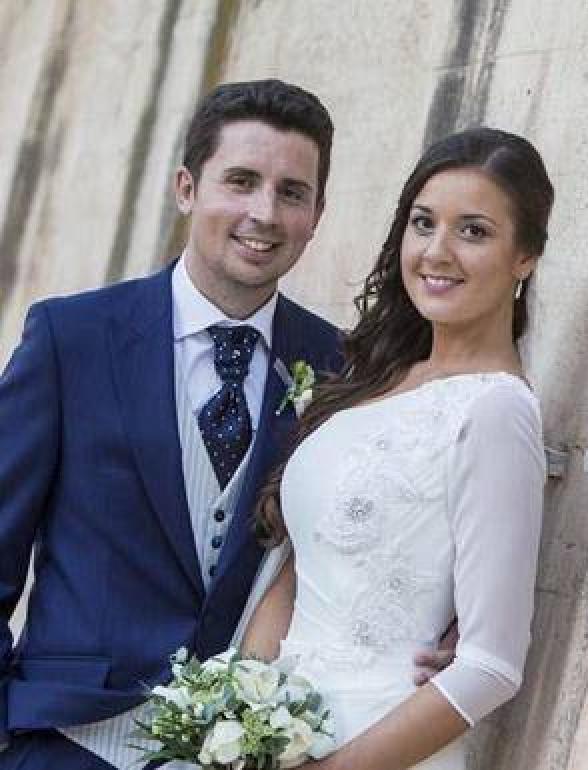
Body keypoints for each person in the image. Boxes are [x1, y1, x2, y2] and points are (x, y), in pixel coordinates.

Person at [0, 79, 450, 770]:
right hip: (65, 739)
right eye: (241, 181)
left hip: (239, 749)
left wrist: (444, 623)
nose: (263, 213)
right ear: (187, 188)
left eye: (291, 192)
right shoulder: (72, 337)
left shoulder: (344, 369)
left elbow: (377, 534)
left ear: (316, 215)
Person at [238, 127, 552, 769]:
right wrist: (238, 720)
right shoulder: (375, 380)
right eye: (424, 223)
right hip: (274, 734)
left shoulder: (495, 412)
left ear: (525, 256)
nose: (437, 251)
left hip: (378, 744)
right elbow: (298, 570)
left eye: (474, 231)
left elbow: (491, 666)